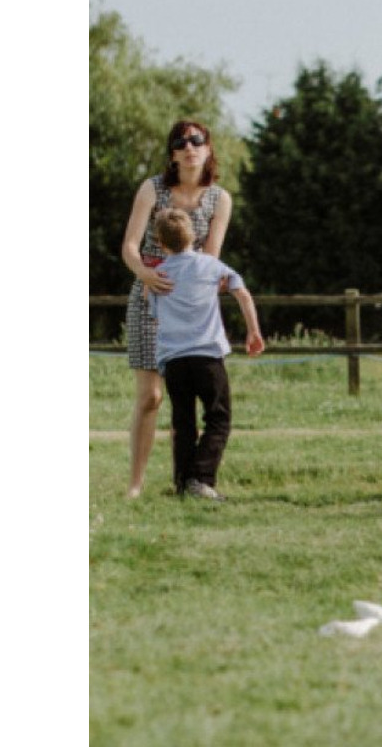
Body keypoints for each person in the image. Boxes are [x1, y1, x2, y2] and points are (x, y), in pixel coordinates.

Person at [120, 120, 232, 498]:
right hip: (151, 295)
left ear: (207, 149)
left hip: (191, 305)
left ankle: (189, 480)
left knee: (188, 398)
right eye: (181, 142)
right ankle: (135, 484)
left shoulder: (220, 199)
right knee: (151, 396)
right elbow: (130, 246)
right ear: (172, 153)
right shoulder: (152, 190)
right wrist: (146, 276)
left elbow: (212, 257)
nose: (189, 147)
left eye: (197, 140)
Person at [150, 208, 264, 500]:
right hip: (207, 356)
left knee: (183, 422)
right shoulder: (212, 266)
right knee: (218, 418)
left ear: (160, 242)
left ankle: (183, 483)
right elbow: (242, 293)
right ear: (195, 236)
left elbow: (155, 316)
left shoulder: (157, 277)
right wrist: (253, 331)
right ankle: (201, 479)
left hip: (174, 360)